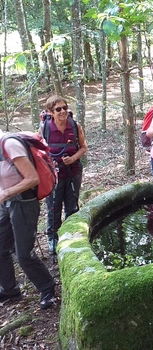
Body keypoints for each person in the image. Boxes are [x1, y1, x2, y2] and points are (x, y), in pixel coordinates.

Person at [0, 129, 56, 309]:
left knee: (23, 253)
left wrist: (6, 192)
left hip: (24, 203)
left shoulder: (10, 145)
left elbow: (32, 178)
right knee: (1, 248)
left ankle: (48, 289)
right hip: (6, 204)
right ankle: (10, 290)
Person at [41, 95, 88, 255]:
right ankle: (53, 238)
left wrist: (73, 158)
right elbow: (39, 151)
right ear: (50, 112)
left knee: (72, 206)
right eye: (58, 109)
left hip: (73, 172)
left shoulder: (75, 126)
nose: (63, 112)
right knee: (53, 207)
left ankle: (72, 237)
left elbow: (83, 147)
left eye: (65, 108)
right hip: (53, 176)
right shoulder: (45, 128)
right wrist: (49, 162)